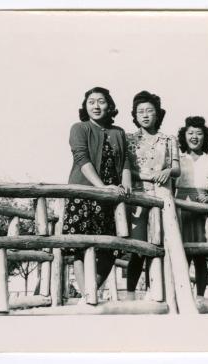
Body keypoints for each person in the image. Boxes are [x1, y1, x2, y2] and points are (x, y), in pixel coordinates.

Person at [63, 87, 131, 304]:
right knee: (81, 248)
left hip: (111, 197)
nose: (96, 106)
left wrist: (126, 185)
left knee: (111, 247)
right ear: (85, 106)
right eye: (91, 102)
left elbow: (126, 162)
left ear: (109, 106)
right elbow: (81, 159)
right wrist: (102, 187)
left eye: (101, 101)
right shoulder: (79, 128)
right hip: (83, 194)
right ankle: (88, 297)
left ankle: (90, 291)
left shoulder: (118, 132)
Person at [125, 90, 180, 300]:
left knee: (159, 245)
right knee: (138, 248)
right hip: (138, 198)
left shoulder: (169, 139)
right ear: (135, 115)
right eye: (141, 112)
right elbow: (127, 169)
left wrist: (167, 171)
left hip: (163, 197)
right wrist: (149, 176)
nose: (146, 115)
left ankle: (154, 292)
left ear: (158, 114)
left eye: (150, 111)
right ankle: (130, 296)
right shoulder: (129, 139)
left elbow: (176, 169)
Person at [175, 116, 208, 298]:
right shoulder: (178, 158)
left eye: (199, 133)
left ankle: (200, 297)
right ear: (184, 136)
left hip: (202, 208)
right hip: (181, 205)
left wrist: (207, 199)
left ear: (205, 137)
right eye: (190, 133)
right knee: (181, 254)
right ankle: (182, 295)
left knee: (201, 254)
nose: (194, 137)